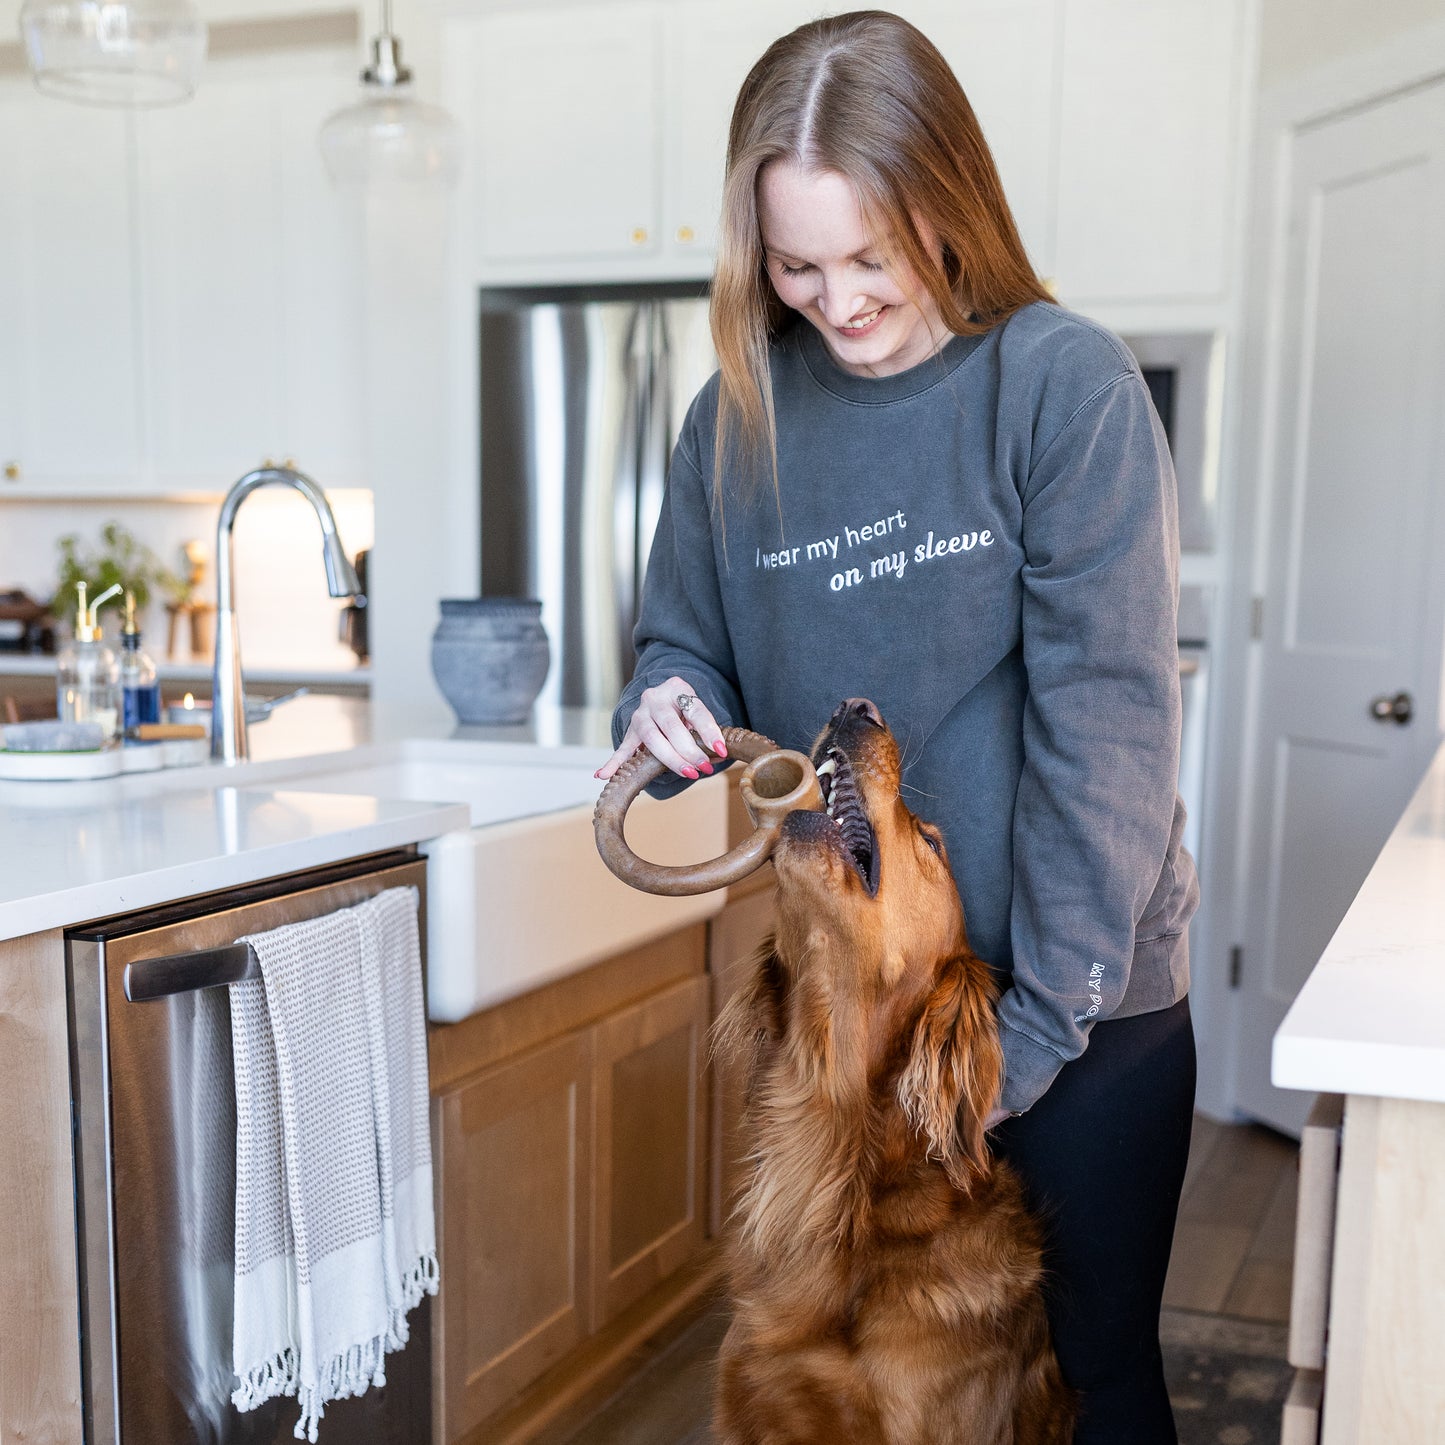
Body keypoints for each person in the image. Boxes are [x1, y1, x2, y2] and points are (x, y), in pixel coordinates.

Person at [595, 10, 1199, 1442]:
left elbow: (1105, 734)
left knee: (1094, 1376)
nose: (837, 302)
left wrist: (1019, 1054)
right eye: (796, 267)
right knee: (844, 1391)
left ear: (949, 203)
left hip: (1075, 1014)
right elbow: (679, 636)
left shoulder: (1057, 386)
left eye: (869, 256)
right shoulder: (735, 417)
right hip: (854, 1024)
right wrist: (663, 698)